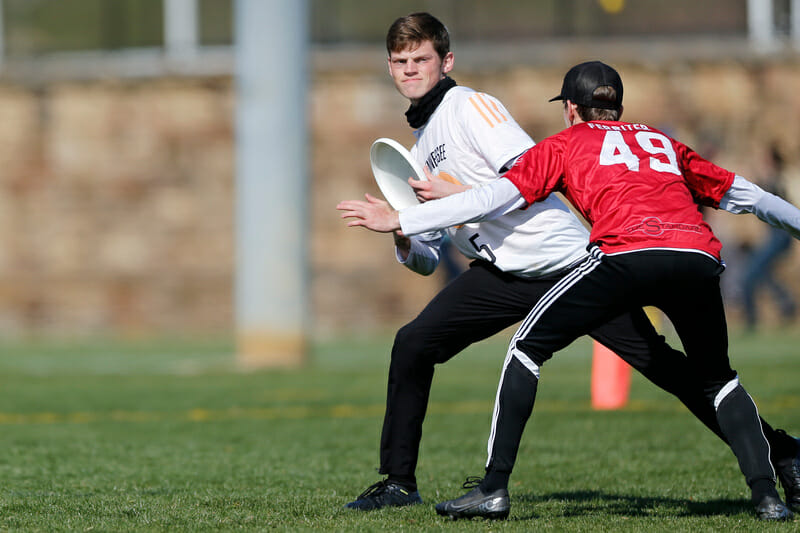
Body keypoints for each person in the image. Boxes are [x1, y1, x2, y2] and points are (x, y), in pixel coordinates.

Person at [336, 16, 800, 520]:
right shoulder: (422, 143)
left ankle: (783, 453)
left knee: (667, 370)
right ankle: (400, 482)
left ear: (445, 61)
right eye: (401, 62)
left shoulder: (470, 105)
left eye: (420, 59)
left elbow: (521, 176)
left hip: (566, 262)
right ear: (389, 66)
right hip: (503, 274)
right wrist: (405, 235)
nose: (410, 70)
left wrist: (435, 202)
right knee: (412, 343)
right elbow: (427, 258)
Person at [741, 145, 796, 329]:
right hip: (778, 237)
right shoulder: (773, 181)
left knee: (749, 276)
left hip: (780, 237)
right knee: (762, 273)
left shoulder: (775, 181)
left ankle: (751, 320)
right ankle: (786, 303)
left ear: (772, 161)